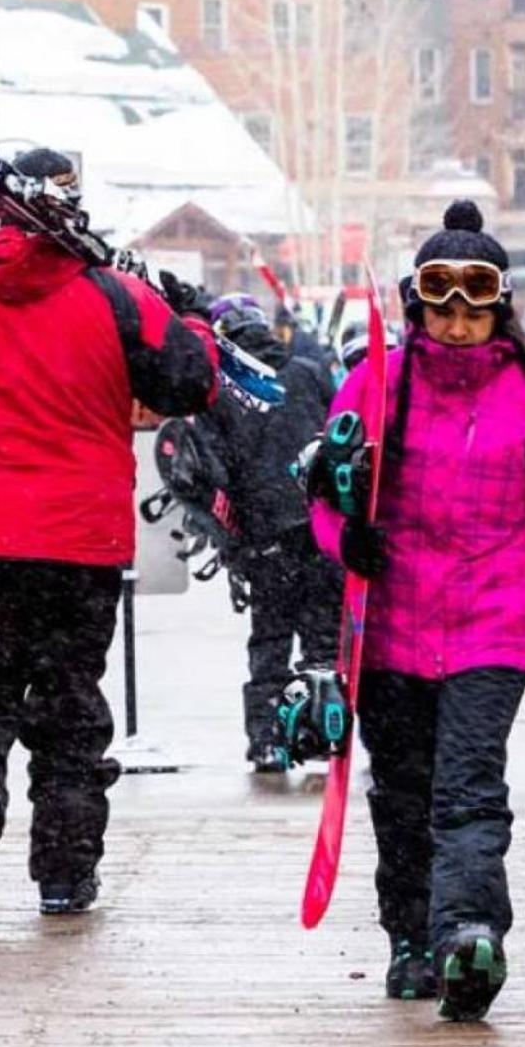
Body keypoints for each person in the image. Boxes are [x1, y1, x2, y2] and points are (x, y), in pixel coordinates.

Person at [0, 147, 218, 923]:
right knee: (67, 708)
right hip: (81, 546)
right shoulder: (116, 298)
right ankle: (63, 873)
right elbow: (191, 381)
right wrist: (185, 316)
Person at [309, 201, 525, 1021]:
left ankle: (468, 931)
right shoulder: (376, 385)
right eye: (442, 306)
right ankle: (410, 937)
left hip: (492, 632)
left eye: (475, 307)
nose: (457, 324)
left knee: (468, 790)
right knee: (403, 792)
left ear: (500, 309)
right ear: (417, 305)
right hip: (388, 635)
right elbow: (324, 483)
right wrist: (344, 538)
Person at [200, 294, 340, 771]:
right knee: (324, 640)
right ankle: (325, 730)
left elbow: (213, 470)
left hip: (265, 538)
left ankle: (267, 740)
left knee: (270, 641)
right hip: (321, 528)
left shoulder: (221, 389)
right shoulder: (308, 370)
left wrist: (233, 542)